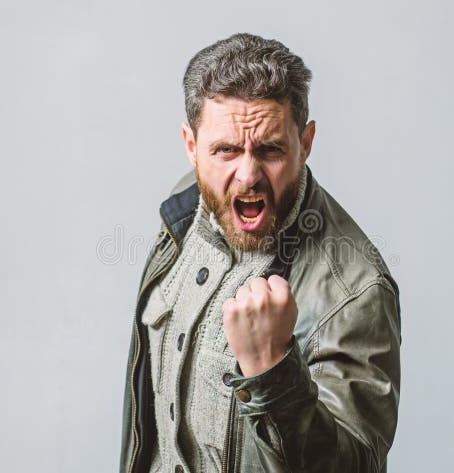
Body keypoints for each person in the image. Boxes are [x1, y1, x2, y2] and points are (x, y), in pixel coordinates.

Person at [120, 33, 401, 473]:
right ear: (191, 145)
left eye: (270, 149)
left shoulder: (354, 290)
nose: (247, 175)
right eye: (226, 150)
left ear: (305, 142)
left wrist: (271, 369)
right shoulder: (184, 207)